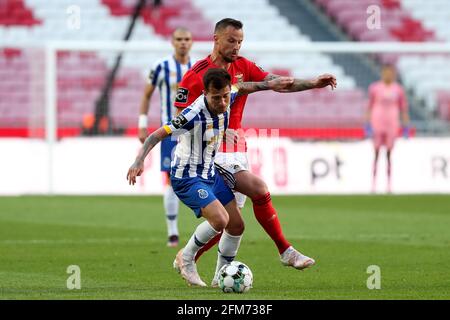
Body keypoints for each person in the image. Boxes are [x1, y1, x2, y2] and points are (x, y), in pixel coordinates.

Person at [173, 18, 337, 275]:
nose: (236, 46)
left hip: (238, 151)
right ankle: (285, 250)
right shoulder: (196, 74)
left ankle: (211, 270)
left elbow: (278, 83)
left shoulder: (244, 66)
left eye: (240, 41)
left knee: (233, 224)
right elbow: (180, 116)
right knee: (258, 190)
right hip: (214, 154)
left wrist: (313, 83)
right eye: (231, 41)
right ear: (215, 39)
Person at [128, 68, 296, 286]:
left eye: (225, 96)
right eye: (216, 98)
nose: (223, 102)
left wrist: (269, 85)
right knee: (220, 219)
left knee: (236, 226)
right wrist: (139, 160)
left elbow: (244, 86)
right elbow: (156, 135)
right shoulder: (191, 114)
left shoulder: (230, 93)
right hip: (187, 177)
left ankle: (219, 278)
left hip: (210, 173)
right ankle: (186, 259)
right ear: (205, 93)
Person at [138, 27, 193, 247]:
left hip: (195, 130)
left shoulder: (198, 67)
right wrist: (142, 125)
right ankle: (172, 231)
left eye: (186, 39)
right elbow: (146, 95)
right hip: (169, 131)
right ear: (172, 42)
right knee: (170, 178)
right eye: (179, 39)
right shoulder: (161, 66)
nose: (183, 43)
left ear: (192, 42)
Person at [365, 64, 410, 193]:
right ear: (382, 73)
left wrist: (406, 127)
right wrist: (367, 125)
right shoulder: (374, 88)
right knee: (376, 153)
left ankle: (389, 185)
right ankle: (373, 184)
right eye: (385, 72)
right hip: (377, 122)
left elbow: (404, 109)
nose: (388, 75)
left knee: (389, 155)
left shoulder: (398, 89)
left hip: (392, 124)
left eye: (390, 73)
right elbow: (369, 106)